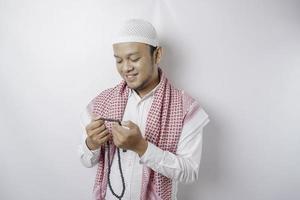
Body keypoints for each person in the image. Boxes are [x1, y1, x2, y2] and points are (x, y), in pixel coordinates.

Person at [78, 19, 210, 200]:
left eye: (134, 58)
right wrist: (91, 144)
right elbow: (86, 160)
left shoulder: (186, 109)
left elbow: (189, 172)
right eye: (119, 60)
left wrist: (141, 147)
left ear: (157, 55)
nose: (126, 68)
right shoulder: (101, 104)